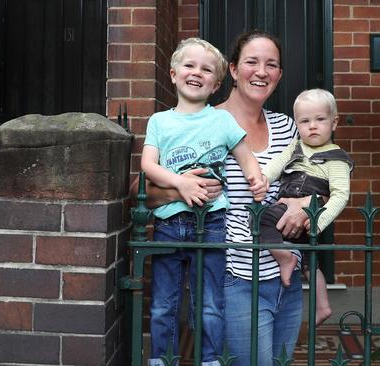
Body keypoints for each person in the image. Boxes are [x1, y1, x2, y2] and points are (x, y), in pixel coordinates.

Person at [143, 30, 309, 366]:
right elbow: (143, 195)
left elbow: (315, 178)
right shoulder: (204, 122)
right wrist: (181, 186)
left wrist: (302, 204)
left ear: (279, 75)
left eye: (271, 64)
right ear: (232, 70)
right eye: (252, 62)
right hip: (234, 274)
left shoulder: (287, 127)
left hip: (285, 275)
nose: (261, 71)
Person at [260, 88, 353, 326]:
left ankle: (284, 258)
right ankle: (322, 306)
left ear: (334, 123)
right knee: (311, 264)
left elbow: (341, 196)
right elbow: (277, 164)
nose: (312, 126)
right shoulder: (296, 146)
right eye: (305, 121)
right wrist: (263, 179)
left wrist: (318, 220)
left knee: (263, 220)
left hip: (310, 215)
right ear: (297, 124)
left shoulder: (337, 159)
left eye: (320, 119)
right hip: (288, 206)